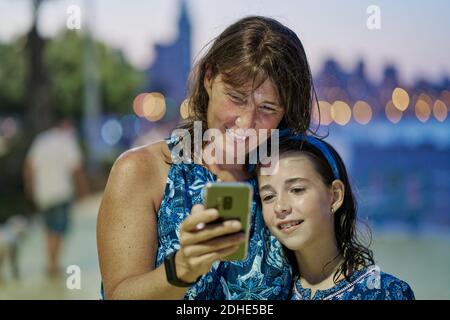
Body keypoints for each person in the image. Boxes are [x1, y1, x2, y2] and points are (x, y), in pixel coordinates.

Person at [97, 16, 316, 299]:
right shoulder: (141, 171)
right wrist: (182, 268)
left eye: (267, 107)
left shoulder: (288, 181)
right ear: (209, 78)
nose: (247, 122)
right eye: (236, 98)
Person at [257, 132, 415, 300]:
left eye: (297, 190)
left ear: (335, 196)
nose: (280, 207)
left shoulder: (386, 293)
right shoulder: (262, 294)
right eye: (268, 197)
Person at [23, 116, 89, 277]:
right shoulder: (67, 141)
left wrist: (30, 188)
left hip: (43, 193)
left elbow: (29, 165)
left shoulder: (42, 140)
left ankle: (51, 262)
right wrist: (83, 190)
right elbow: (76, 169)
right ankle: (53, 264)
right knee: (59, 229)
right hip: (61, 192)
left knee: (48, 228)